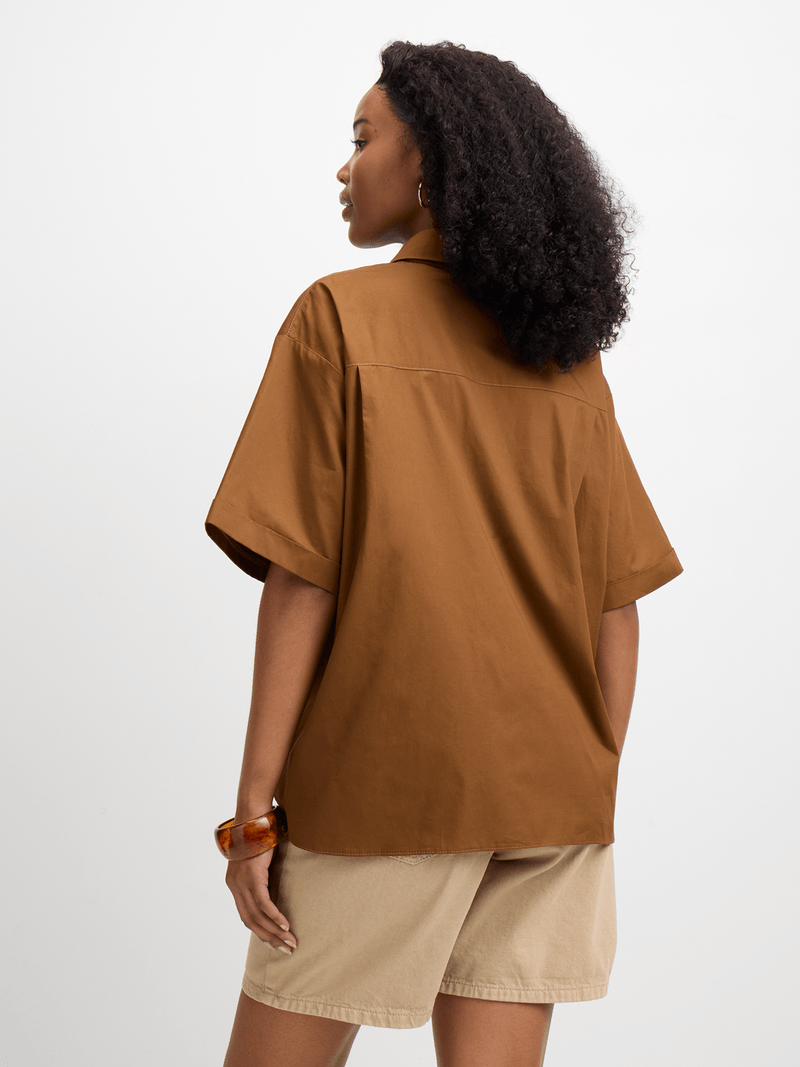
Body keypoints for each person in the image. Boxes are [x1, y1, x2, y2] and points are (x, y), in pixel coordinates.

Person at [205, 40, 683, 1067]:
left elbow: (303, 578)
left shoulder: (338, 317)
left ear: (429, 160)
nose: (344, 167)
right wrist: (587, 776)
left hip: (385, 791)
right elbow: (617, 604)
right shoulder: (566, 359)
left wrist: (252, 816)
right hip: (551, 803)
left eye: (361, 139)